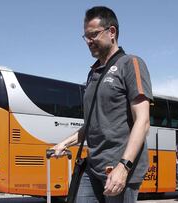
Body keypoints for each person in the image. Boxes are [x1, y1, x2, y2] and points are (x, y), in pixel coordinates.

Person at [52, 6, 153, 203]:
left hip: (119, 167)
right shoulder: (93, 73)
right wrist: (64, 143)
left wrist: (123, 167)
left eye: (94, 35)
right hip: (93, 167)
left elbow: (143, 121)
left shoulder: (130, 63)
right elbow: (92, 125)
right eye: (86, 37)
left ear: (112, 32)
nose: (89, 41)